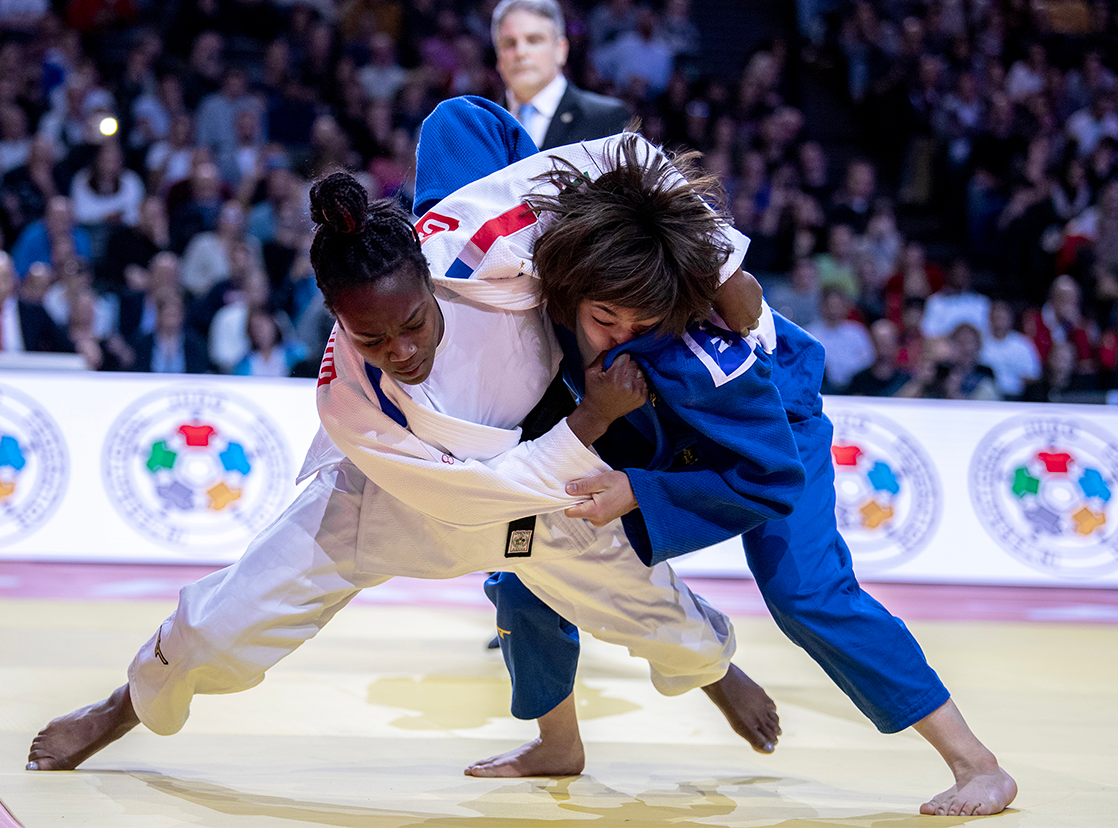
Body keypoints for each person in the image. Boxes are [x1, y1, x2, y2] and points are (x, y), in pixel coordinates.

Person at [25, 166, 789, 775]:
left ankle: (714, 668)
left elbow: (614, 158)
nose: (400, 349)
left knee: (660, 615)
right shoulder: (349, 400)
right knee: (215, 626)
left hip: (538, 497)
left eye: (413, 321)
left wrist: (721, 261)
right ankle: (121, 707)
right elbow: (471, 502)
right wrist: (589, 419)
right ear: (331, 312)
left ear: (428, 276)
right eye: (371, 335)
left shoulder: (470, 244)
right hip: (391, 506)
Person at [412, 95, 1015, 817]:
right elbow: (463, 123)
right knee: (522, 557)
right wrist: (471, 211)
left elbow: (766, 476)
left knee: (804, 593)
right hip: (632, 411)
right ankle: (556, 740)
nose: (615, 330)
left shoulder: (707, 343)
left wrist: (637, 490)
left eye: (634, 318)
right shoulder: (522, 261)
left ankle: (975, 762)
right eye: (602, 317)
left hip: (763, 421)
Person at [492, 0, 629, 151]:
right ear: (498, 57)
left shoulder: (607, 120)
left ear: (561, 50)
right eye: (509, 43)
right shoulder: (482, 130)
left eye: (534, 40)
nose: (520, 52)